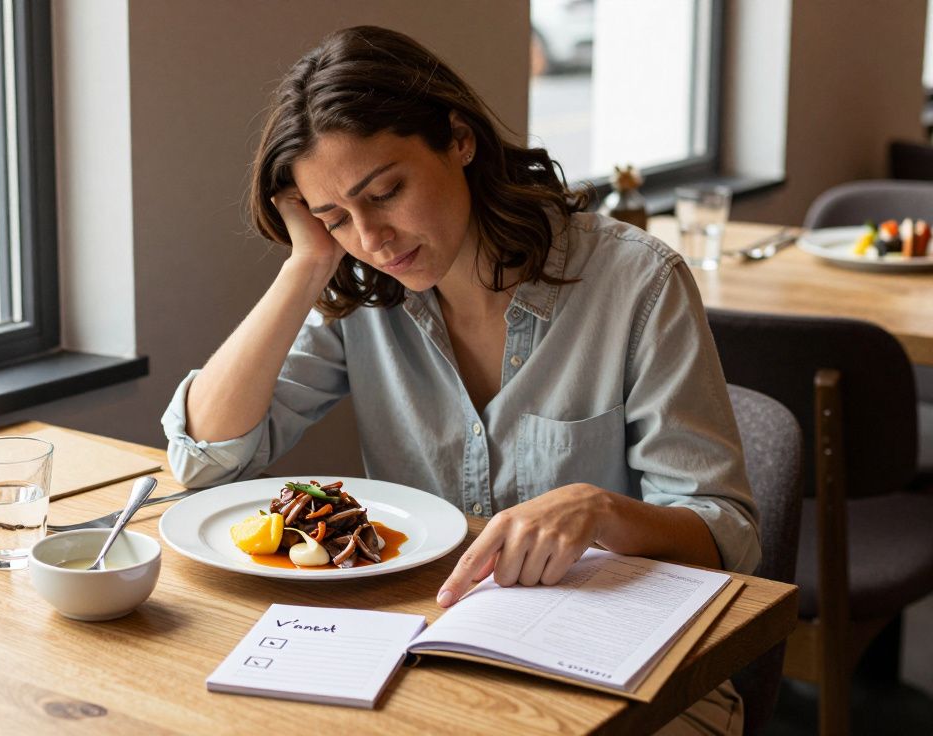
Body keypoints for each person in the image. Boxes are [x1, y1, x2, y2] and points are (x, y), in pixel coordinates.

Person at [161, 26, 757, 735]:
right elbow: (206, 455)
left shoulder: (637, 283)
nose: (372, 238)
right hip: (433, 666)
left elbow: (729, 538)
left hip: (628, 680)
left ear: (459, 138)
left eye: (385, 192)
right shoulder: (363, 295)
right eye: (335, 217)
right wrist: (307, 265)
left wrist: (601, 511)